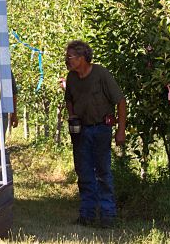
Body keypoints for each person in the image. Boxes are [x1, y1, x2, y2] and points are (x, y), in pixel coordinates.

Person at [63, 40, 126, 227]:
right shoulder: (72, 77)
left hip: (101, 129)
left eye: (70, 57)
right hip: (81, 131)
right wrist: (72, 116)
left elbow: (120, 101)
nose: (67, 60)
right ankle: (87, 215)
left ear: (82, 57)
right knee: (83, 173)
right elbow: (69, 100)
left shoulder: (101, 74)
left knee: (103, 172)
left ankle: (108, 215)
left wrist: (120, 130)